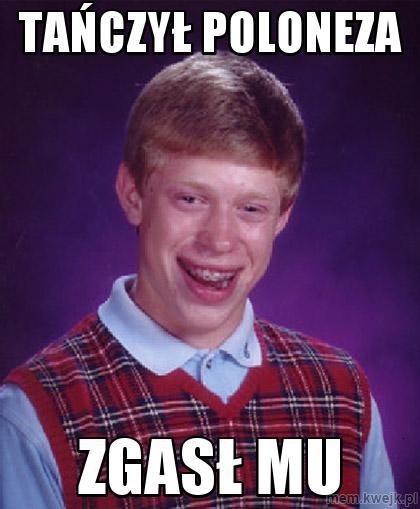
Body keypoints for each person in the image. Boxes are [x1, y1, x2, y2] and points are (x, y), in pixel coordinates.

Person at [0, 53, 394, 508]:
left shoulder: (342, 396)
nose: (219, 239)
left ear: (282, 217)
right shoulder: (35, 416)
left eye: (251, 208)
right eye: (191, 199)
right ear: (133, 195)